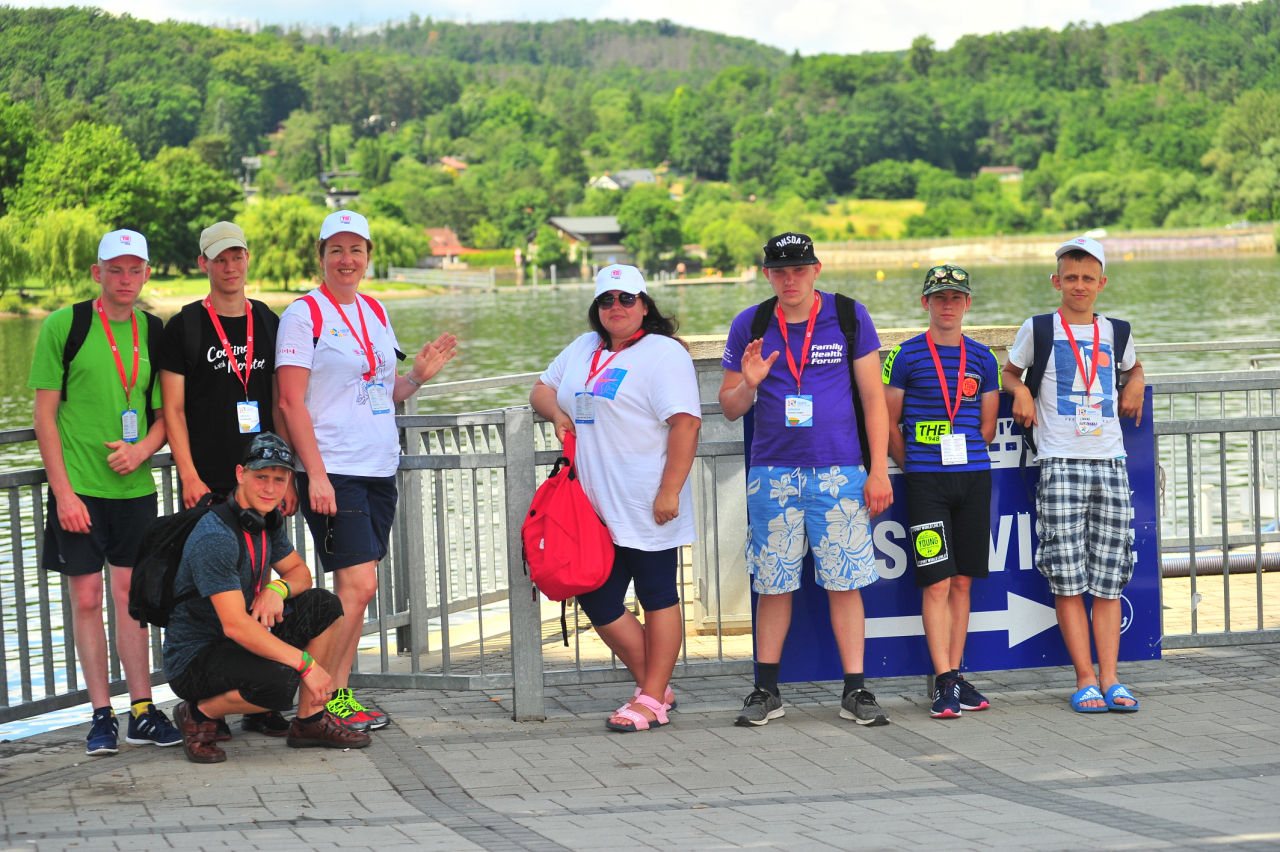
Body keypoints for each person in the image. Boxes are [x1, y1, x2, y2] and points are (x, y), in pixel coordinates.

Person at [276, 209, 457, 730]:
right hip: (334, 469)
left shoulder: (375, 310)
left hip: (379, 467)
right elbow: (290, 401)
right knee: (357, 588)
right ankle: (316, 704)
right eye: (336, 249)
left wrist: (416, 378)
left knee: (360, 589)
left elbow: (382, 391)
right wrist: (313, 475)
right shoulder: (303, 315)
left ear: (368, 256)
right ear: (321, 255)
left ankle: (336, 695)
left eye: (356, 249)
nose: (346, 259)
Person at [719, 233, 894, 728]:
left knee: (845, 582)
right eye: (780, 271)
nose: (790, 280)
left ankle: (855, 690)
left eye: (799, 269)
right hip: (773, 473)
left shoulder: (849, 315)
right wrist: (749, 383)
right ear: (767, 275)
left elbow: (874, 399)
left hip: (840, 470)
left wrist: (879, 469)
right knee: (773, 584)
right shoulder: (751, 323)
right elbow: (729, 408)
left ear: (816, 270)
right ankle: (766, 690)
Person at [530, 264, 702, 732]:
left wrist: (670, 491)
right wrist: (557, 415)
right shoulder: (584, 347)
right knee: (597, 596)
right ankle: (656, 686)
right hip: (591, 507)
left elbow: (686, 423)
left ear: (645, 305)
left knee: (657, 594)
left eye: (627, 298)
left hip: (647, 502)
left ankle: (651, 699)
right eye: (606, 300)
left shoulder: (663, 353)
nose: (616, 307)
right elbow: (541, 388)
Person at [28, 229, 180, 755]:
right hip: (80, 490)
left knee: (132, 597)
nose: (125, 279)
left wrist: (143, 451)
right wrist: (64, 494)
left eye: (135, 270)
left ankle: (142, 710)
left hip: (135, 489)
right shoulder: (64, 325)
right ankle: (100, 715)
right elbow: (44, 417)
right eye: (115, 269)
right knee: (88, 598)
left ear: (146, 274)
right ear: (98, 273)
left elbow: (165, 415)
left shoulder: (153, 331)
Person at [158, 222, 295, 740]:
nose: (230, 266)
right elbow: (172, 410)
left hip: (264, 483)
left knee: (263, 585)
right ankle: (207, 704)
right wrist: (188, 474)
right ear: (204, 264)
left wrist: (288, 479)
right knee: (214, 596)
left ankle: (259, 701)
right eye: (220, 259)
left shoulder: (268, 321)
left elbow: (280, 402)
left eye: (237, 256)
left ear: (247, 259)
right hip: (210, 486)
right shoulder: (185, 326)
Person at [1002, 236, 1145, 713]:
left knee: (1109, 577)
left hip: (1110, 461)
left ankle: (1112, 679)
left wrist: (1138, 381)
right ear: (1056, 281)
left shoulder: (1117, 332)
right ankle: (1085, 679)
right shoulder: (1039, 328)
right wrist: (1021, 392)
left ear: (1102, 283)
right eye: (1070, 278)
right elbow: (1010, 372)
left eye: (1087, 278)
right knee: (1067, 576)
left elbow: (1134, 367)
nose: (1079, 286)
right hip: (1060, 461)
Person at [166, 433, 369, 763]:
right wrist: (306, 665)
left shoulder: (265, 521)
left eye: (279, 479)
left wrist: (277, 589)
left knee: (324, 605)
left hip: (238, 644)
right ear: (240, 474)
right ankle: (197, 714)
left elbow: (300, 574)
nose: (270, 488)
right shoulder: (215, 536)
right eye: (261, 477)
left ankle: (310, 721)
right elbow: (234, 625)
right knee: (280, 683)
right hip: (194, 658)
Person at [883, 265, 1000, 718]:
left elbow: (987, 428)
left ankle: (955, 675)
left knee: (963, 581)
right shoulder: (904, 355)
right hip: (926, 483)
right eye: (939, 297)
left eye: (955, 297)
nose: (947, 305)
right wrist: (914, 465)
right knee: (937, 583)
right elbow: (889, 422)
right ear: (925, 303)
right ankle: (943, 680)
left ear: (967, 303)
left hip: (973, 479)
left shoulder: (983, 359)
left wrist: (960, 453)